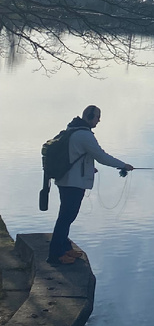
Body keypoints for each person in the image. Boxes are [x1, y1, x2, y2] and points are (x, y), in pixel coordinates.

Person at [48, 106, 133, 265]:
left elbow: (75, 155)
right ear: (90, 116)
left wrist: (88, 168)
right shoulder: (84, 135)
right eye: (97, 117)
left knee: (67, 217)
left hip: (67, 181)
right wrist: (123, 165)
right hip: (72, 183)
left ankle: (65, 248)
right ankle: (55, 254)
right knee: (66, 218)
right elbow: (101, 156)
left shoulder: (72, 130)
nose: (99, 120)